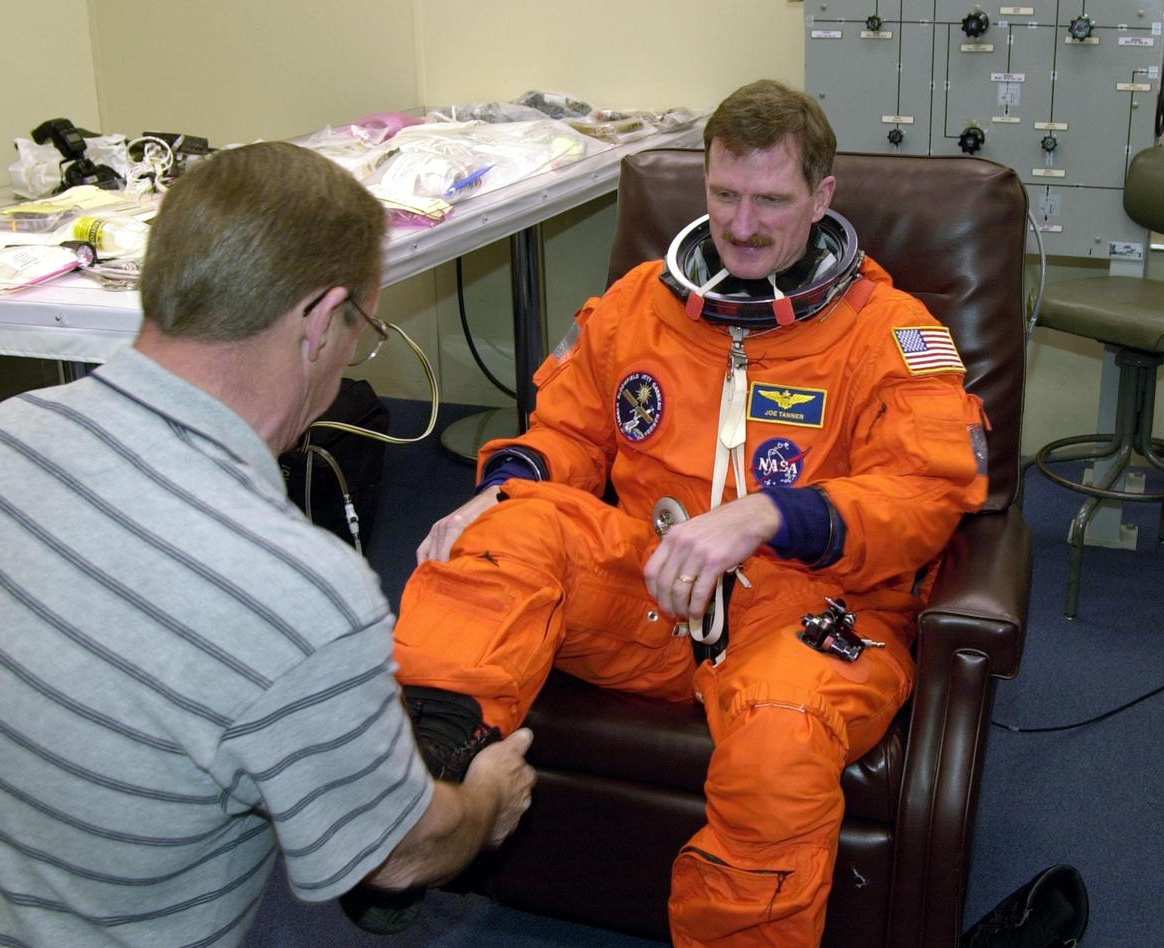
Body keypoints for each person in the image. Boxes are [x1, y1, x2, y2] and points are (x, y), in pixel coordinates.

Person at [387, 79, 990, 946]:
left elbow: (924, 495)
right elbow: (566, 430)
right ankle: (421, 805)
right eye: (724, 194)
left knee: (779, 744)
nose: (741, 225)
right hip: (652, 588)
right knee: (502, 530)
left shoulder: (892, 334)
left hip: (809, 608)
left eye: (771, 200)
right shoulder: (638, 304)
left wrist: (766, 516)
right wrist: (501, 484)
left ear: (822, 198)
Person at [0, 141, 534, 947]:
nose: (345, 365)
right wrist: (483, 800)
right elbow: (403, 857)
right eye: (358, 330)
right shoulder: (296, 586)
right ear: (316, 321)